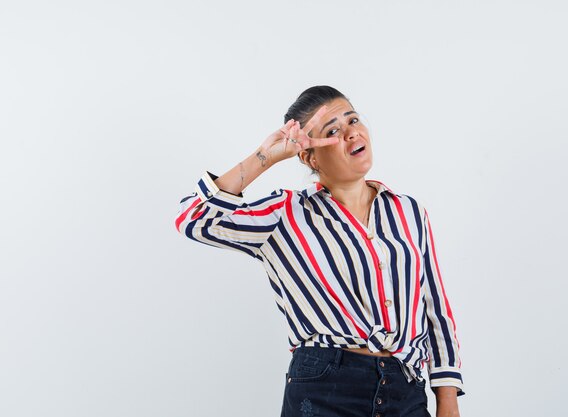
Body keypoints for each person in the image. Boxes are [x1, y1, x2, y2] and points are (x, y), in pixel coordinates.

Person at [175, 86, 464, 417]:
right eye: (332, 131)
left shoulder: (409, 211)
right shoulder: (285, 214)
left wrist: (447, 398)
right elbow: (193, 219)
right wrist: (265, 156)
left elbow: (436, 311)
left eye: (353, 119)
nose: (350, 132)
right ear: (309, 156)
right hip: (325, 386)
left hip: (406, 391)